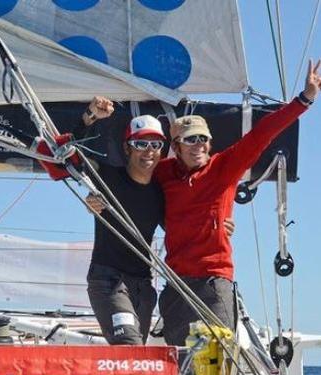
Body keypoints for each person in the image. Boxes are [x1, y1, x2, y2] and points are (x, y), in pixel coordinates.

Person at [154, 59, 321, 346]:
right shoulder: (162, 174)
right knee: (178, 362)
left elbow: (263, 133)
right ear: (176, 147)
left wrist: (304, 100)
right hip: (177, 283)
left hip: (214, 281)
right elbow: (131, 187)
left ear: (209, 143)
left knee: (220, 361)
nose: (198, 145)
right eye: (189, 140)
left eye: (202, 139)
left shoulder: (224, 167)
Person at [77, 97, 235, 345]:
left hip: (142, 286)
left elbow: (183, 223)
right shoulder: (106, 177)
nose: (148, 151)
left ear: (162, 150)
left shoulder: (162, 191)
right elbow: (65, 156)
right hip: (108, 280)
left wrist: (217, 225)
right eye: (140, 143)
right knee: (129, 345)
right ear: (127, 148)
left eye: (155, 144)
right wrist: (90, 117)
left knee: (138, 358)